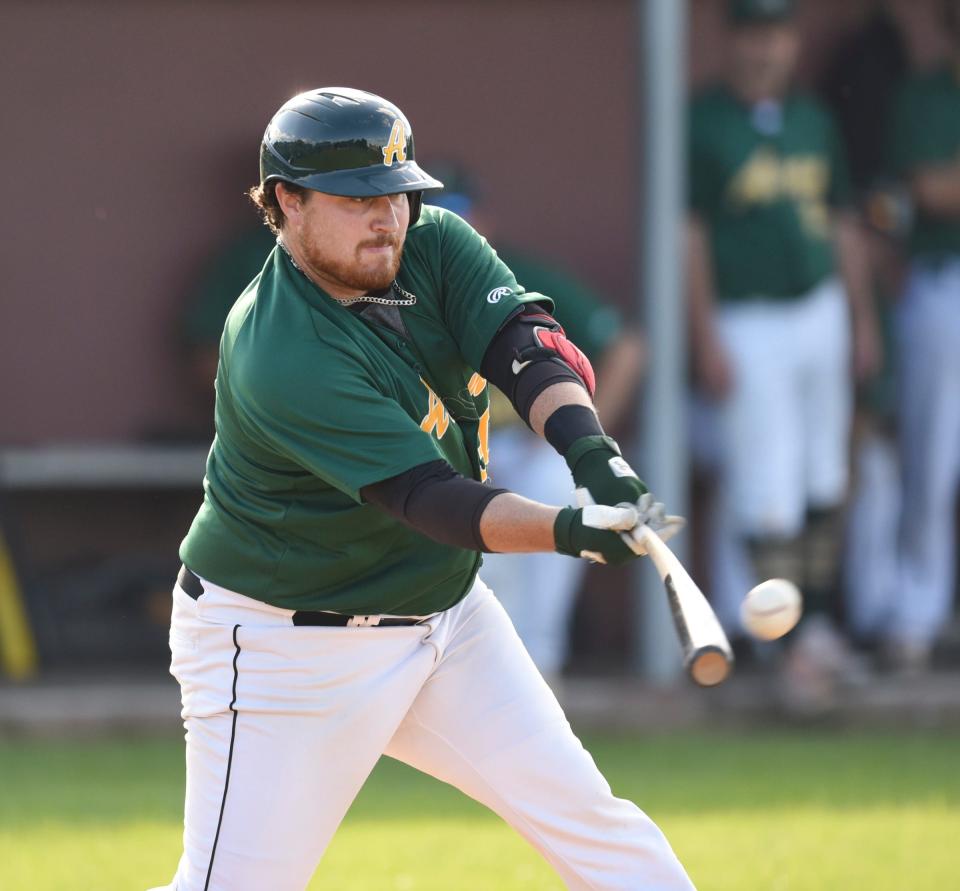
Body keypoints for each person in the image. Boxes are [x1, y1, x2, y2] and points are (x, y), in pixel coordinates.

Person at [153, 87, 693, 891]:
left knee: (594, 825)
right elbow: (433, 501)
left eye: (397, 193)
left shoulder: (435, 242)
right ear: (286, 202)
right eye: (356, 198)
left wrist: (596, 458)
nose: (387, 216)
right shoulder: (279, 347)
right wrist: (573, 530)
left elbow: (527, 349)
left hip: (445, 618)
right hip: (281, 647)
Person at [686, 0, 880, 703]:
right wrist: (704, 331)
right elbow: (690, 234)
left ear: (791, 41)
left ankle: (818, 626)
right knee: (766, 479)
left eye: (774, 34)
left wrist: (863, 319)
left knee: (824, 470)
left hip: (819, 306)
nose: (763, 48)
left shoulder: (812, 120)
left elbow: (842, 221)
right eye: (751, 34)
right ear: (731, 41)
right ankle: (788, 642)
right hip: (749, 315)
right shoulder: (704, 120)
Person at [425, 170, 645, 685]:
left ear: (483, 221)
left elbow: (628, 348)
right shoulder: (395, 293)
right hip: (443, 450)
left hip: (520, 442)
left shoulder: (513, 276)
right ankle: (469, 673)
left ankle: (541, 664)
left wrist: (588, 445)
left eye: (461, 213)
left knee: (557, 481)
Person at [884, 0, 960, 672]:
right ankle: (916, 613)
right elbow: (929, 190)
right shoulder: (925, 96)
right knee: (931, 460)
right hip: (944, 284)